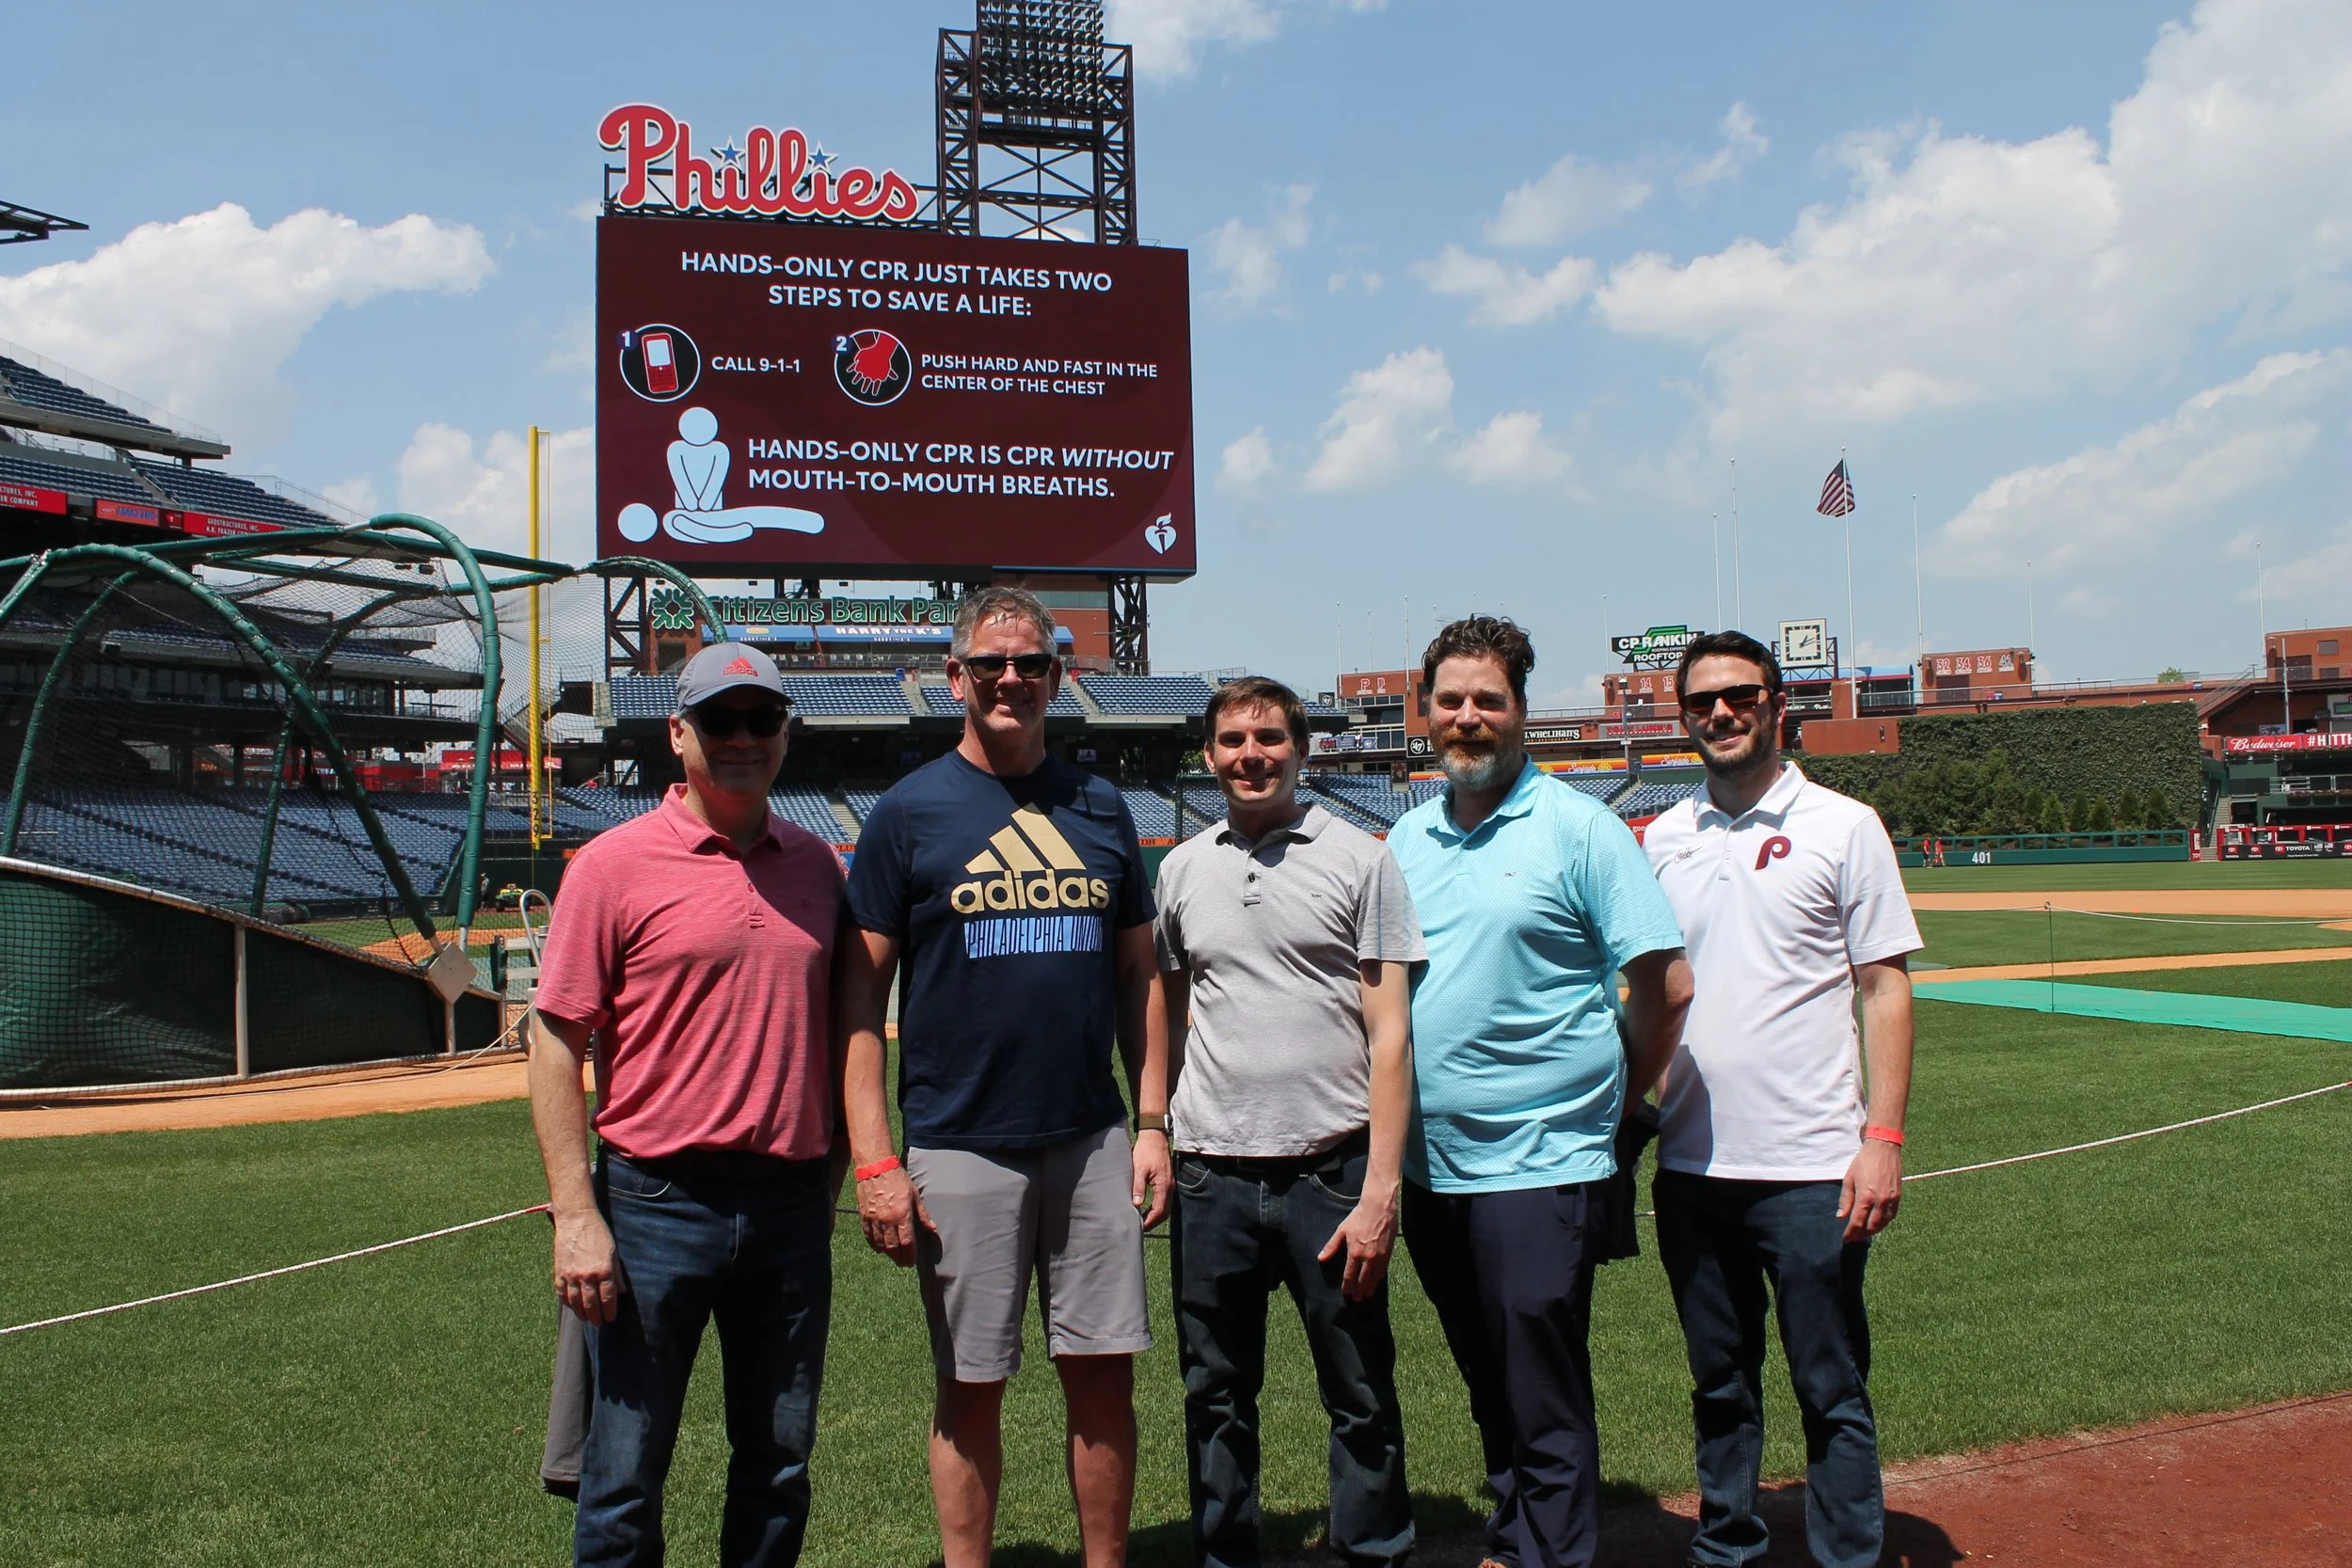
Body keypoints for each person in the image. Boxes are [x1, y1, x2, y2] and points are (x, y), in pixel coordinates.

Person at [836, 586, 1169, 1568]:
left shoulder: (1099, 805)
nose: (1011, 679)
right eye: (991, 664)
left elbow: (1139, 975)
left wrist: (1152, 1120)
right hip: (959, 1139)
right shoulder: (908, 813)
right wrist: (874, 1160)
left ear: (1058, 678)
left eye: (1030, 663)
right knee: (970, 1382)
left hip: (1089, 1133)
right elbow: (859, 1002)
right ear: (956, 678)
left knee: (1102, 1375)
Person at [528, 641, 847, 1568]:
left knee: (778, 1465)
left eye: (762, 719)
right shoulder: (611, 864)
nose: (742, 738)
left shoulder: (818, 867)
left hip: (789, 1206)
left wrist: (833, 1175)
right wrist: (576, 1213)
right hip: (653, 1203)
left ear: (785, 732)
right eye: (719, 720)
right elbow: (556, 1040)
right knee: (623, 1473)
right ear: (678, 732)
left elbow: (844, 1035)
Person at [1388, 616, 1693, 1568]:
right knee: (1488, 1373)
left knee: (1540, 1379)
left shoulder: (1579, 827)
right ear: (1425, 712)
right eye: (1450, 700)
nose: (1467, 716)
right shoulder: (1406, 836)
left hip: (1542, 1156)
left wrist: (1621, 1101)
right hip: (1432, 1164)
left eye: (1489, 699)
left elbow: (1666, 985)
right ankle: (1517, 1534)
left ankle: (1552, 1551)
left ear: (1521, 710)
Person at [1644, 630, 1920, 1568]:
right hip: (1691, 1166)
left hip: (1814, 1169)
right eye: (1702, 701)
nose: (1721, 712)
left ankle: (1847, 1554)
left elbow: (1884, 986)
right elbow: (1651, 992)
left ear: (1775, 704)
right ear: (1684, 717)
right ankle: (1727, 1544)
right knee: (1719, 1383)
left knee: (1829, 1385)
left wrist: (1882, 1136)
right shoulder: (1663, 837)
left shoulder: (1844, 825)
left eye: (1740, 695)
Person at [1154, 676, 1422, 1568]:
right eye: (1233, 739)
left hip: (1330, 1172)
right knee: (1215, 1392)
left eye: (1269, 737)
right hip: (1211, 1171)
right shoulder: (1182, 869)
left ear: (1302, 750)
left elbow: (1392, 1036)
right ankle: (1226, 1553)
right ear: (1209, 754)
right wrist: (1154, 1124)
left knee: (1359, 1389)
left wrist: (1380, 1189)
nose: (1251, 754)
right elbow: (1168, 1012)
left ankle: (1372, 1550)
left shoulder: (1360, 860)